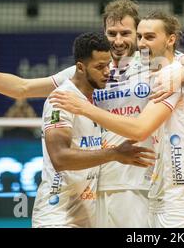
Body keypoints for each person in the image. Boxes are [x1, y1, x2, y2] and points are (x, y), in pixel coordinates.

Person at [0, 0, 184, 227]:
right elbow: (23, 88)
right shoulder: (90, 71)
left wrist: (180, 76)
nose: (118, 40)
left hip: (140, 181)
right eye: (111, 33)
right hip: (98, 183)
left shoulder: (155, 63)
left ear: (137, 34)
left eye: (125, 33)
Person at [49, 11, 184, 228]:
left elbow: (139, 130)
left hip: (182, 194)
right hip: (160, 191)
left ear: (171, 40)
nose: (142, 43)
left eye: (150, 37)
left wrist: (85, 109)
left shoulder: (173, 75)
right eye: (140, 37)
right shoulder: (160, 73)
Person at [32, 32, 155, 228]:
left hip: (85, 216)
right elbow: (60, 158)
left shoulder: (93, 102)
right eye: (99, 67)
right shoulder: (62, 100)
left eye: (108, 65)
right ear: (80, 67)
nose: (107, 72)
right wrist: (114, 154)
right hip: (57, 217)